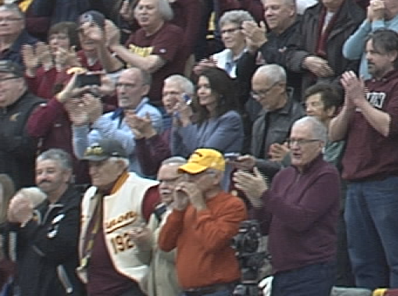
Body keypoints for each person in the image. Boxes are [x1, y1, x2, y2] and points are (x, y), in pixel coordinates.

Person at [330, 30, 398, 289]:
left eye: (374, 53)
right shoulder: (365, 86)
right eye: (367, 52)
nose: (368, 58)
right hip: (355, 184)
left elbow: (390, 126)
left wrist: (360, 100)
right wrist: (350, 105)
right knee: (362, 260)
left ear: (392, 55)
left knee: (397, 259)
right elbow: (334, 134)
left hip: (387, 183)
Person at [234, 117, 341, 296]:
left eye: (302, 141)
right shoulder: (283, 176)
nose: (295, 146)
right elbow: (266, 224)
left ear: (320, 145)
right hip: (280, 269)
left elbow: (301, 220)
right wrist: (256, 201)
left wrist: (264, 193)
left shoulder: (327, 175)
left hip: (311, 269)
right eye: (292, 140)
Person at [78, 135, 162, 296]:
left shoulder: (145, 191)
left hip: (131, 285)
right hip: (95, 285)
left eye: (99, 164)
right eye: (90, 165)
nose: (92, 171)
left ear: (120, 165)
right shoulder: (90, 195)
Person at [159, 148, 246, 296]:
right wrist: (178, 209)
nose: (190, 180)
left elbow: (213, 242)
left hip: (218, 290)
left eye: (196, 175)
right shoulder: (188, 205)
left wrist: (200, 206)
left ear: (216, 178)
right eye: (187, 175)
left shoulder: (232, 205)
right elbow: (164, 244)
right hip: (187, 291)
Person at [3, 148, 81, 296]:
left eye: (50, 171)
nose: (43, 177)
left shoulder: (76, 206)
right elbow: (12, 256)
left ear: (66, 175)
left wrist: (27, 221)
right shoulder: (39, 210)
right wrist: (12, 225)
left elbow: (57, 249)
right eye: (39, 173)